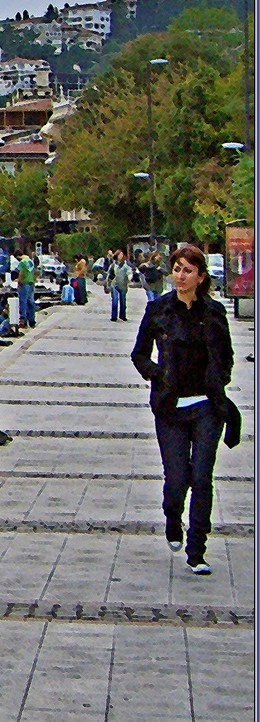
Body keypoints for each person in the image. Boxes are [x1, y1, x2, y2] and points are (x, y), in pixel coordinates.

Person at [130, 244, 237, 576]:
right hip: (170, 407)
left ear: (200, 276)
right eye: (177, 269)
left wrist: (219, 378)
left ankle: (197, 550)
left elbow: (227, 355)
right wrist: (158, 375)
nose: (180, 275)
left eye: (188, 270)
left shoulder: (213, 312)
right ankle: (172, 517)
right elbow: (140, 354)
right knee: (177, 479)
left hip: (207, 406)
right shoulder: (159, 310)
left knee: (202, 477)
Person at [107, 248, 132, 322]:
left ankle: (122, 315)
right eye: (120, 254)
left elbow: (129, 271)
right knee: (114, 300)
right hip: (114, 284)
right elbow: (109, 276)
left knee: (123, 301)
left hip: (123, 285)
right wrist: (107, 285)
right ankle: (114, 316)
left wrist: (130, 278)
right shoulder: (113, 265)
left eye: (122, 254)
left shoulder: (126, 264)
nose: (121, 256)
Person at [15, 248, 37, 329]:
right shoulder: (30, 261)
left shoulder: (22, 262)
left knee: (23, 302)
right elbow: (34, 273)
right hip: (31, 283)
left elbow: (21, 273)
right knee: (31, 302)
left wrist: (19, 282)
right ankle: (32, 320)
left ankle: (23, 319)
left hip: (24, 283)